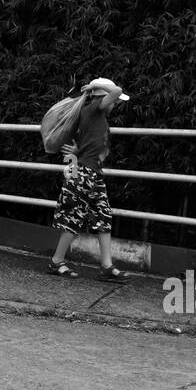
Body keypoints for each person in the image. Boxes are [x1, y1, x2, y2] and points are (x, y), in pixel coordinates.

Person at [48, 77, 130, 279]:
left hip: (92, 172)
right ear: (103, 98)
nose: (115, 105)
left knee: (103, 216)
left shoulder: (93, 113)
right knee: (73, 216)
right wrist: (95, 87)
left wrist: (79, 150)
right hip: (84, 173)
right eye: (113, 102)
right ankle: (56, 261)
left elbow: (90, 143)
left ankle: (106, 265)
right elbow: (117, 90)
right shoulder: (94, 108)